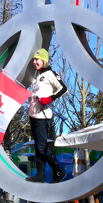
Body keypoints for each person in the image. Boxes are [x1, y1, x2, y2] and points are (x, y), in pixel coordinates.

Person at [26, 48, 68, 183]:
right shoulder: (37, 76)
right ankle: (40, 175)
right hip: (33, 114)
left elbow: (64, 88)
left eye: (37, 59)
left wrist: (50, 98)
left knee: (42, 146)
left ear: (43, 60)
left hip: (42, 115)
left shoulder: (50, 74)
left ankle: (58, 171)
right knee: (39, 146)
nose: (34, 62)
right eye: (33, 60)